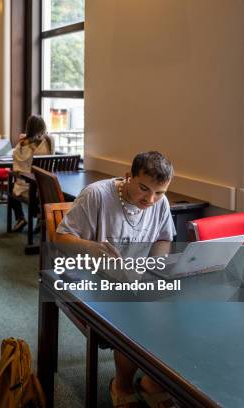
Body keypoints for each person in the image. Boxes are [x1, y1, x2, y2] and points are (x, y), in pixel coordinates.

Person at [54, 151, 176, 408]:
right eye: (144, 188)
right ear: (128, 176)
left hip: (135, 277)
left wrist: (155, 265)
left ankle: (154, 381)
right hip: (89, 277)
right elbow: (60, 238)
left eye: (159, 193)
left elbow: (164, 238)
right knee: (133, 313)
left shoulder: (160, 203)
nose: (151, 199)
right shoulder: (96, 195)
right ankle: (121, 385)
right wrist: (92, 248)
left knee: (181, 308)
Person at [10, 115, 54, 232]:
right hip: (45, 188)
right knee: (34, 193)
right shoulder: (48, 144)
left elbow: (16, 166)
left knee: (12, 191)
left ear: (28, 128)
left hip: (28, 187)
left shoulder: (21, 145)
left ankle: (20, 218)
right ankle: (40, 216)